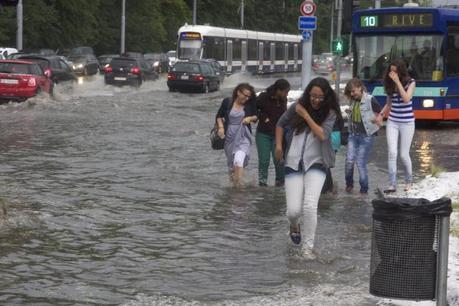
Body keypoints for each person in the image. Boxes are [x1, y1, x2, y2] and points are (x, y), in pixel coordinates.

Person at [275, 77, 341, 258]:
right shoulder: (297, 106)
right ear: (308, 94)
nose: (316, 100)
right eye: (313, 96)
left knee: (310, 206)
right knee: (294, 211)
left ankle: (307, 249)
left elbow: (322, 135)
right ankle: (294, 225)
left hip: (317, 163)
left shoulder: (330, 113)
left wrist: (305, 115)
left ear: (326, 96)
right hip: (293, 162)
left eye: (320, 96)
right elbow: (280, 123)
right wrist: (279, 146)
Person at [376, 59, 416, 193]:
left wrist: (397, 82)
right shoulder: (389, 84)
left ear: (401, 71)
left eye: (395, 71)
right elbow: (389, 104)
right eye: (391, 71)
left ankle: (409, 181)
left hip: (407, 122)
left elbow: (406, 99)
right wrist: (381, 114)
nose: (392, 73)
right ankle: (392, 184)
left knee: (404, 155)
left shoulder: (411, 83)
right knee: (392, 153)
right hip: (393, 121)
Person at [344, 78, 382, 194]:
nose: (352, 94)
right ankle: (349, 183)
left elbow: (380, 112)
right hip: (353, 135)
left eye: (353, 91)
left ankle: (364, 189)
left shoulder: (370, 99)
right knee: (349, 161)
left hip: (366, 136)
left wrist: (377, 120)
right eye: (350, 92)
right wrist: (349, 112)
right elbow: (355, 113)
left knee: (360, 162)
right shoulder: (353, 100)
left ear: (360, 88)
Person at [216, 83, 257, 187]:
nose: (247, 98)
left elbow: (256, 116)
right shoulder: (227, 102)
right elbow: (219, 116)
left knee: (239, 160)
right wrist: (221, 127)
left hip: (244, 135)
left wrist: (250, 119)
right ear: (238, 92)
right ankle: (233, 186)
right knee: (231, 165)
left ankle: (239, 188)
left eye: (249, 96)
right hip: (229, 136)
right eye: (245, 95)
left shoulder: (249, 104)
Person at [255, 79, 290, 187]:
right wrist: (263, 118)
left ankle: (280, 182)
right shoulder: (263, 97)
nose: (286, 94)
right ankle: (262, 182)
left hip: (278, 135)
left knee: (279, 160)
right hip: (263, 133)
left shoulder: (283, 100)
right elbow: (254, 108)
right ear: (278, 90)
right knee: (264, 160)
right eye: (285, 91)